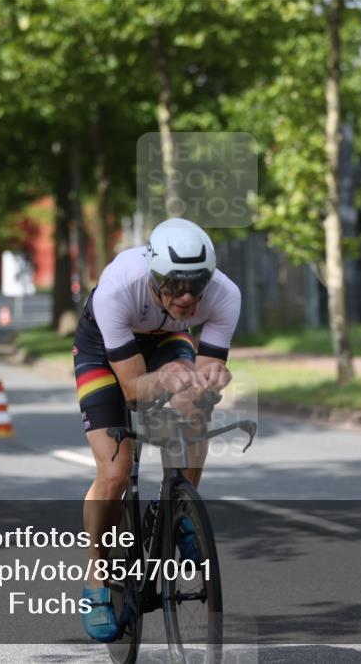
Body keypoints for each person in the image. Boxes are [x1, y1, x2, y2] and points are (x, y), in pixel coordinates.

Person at [73, 217, 241, 642]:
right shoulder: (117, 289)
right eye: (175, 285)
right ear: (153, 275)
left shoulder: (225, 295)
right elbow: (133, 390)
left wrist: (207, 381)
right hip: (103, 350)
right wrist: (164, 380)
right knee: (114, 472)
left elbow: (208, 371)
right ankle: (96, 574)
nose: (186, 297)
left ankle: (179, 508)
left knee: (194, 403)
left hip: (166, 340)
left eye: (196, 286)